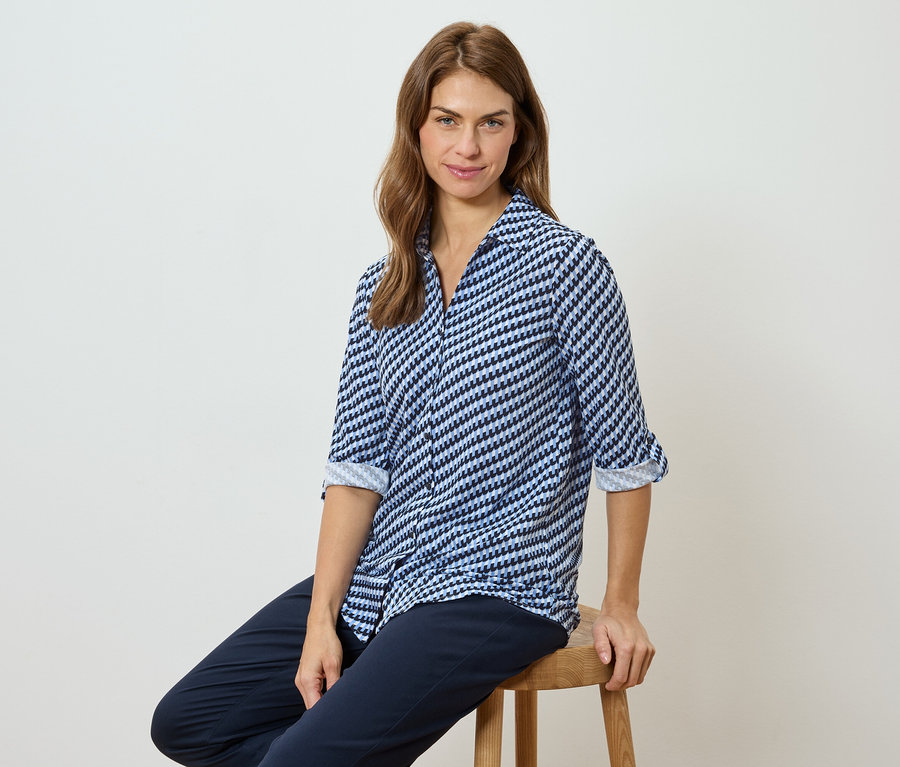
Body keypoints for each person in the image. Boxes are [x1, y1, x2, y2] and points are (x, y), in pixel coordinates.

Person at [151, 21, 668, 767]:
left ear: (518, 134)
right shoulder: (385, 286)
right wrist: (323, 617)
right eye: (447, 121)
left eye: (491, 122)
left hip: (501, 586)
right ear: (416, 131)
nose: (468, 146)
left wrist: (622, 602)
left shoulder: (566, 267)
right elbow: (356, 469)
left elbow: (626, 455)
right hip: (386, 574)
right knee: (190, 721)